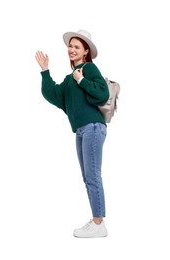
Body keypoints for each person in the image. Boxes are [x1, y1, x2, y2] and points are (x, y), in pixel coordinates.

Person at [35, 29, 109, 238]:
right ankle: (97, 221)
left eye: (77, 47)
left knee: (93, 176)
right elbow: (54, 95)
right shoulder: (70, 79)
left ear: (85, 52)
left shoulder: (88, 68)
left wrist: (82, 80)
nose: (72, 49)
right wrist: (45, 71)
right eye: (70, 46)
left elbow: (102, 93)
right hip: (81, 130)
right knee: (88, 177)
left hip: (93, 127)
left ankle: (98, 224)